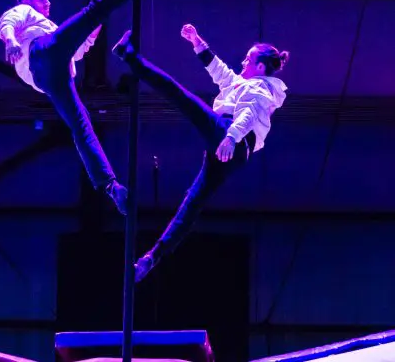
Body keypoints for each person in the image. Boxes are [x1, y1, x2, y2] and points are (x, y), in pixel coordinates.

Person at [111, 23, 289, 282]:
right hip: (233, 149)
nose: (243, 61)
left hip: (231, 135)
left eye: (248, 59)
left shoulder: (261, 89)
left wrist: (230, 138)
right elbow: (221, 72)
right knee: (192, 203)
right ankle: (152, 257)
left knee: (179, 95)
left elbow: (249, 114)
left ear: (260, 67)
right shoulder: (242, 84)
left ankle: (128, 55)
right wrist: (197, 42)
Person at [0, 0, 160, 216]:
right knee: (95, 8)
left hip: (54, 76)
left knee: (81, 126)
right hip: (41, 54)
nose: (48, 3)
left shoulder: (49, 24)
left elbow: (81, 49)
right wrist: (12, 41)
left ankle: (111, 187)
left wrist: (93, 25)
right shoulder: (24, 10)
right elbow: (7, 23)